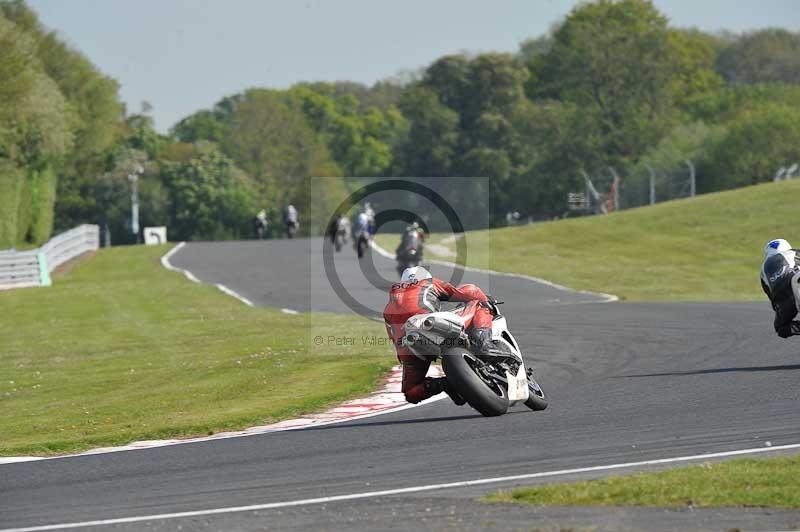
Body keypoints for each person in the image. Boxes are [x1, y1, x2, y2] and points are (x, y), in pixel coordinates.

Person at [383, 266, 493, 405]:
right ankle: (484, 341)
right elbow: (463, 292)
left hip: (410, 344)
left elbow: (393, 338)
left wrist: (405, 358)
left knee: (411, 393)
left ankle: (445, 384)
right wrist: (482, 297)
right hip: (430, 325)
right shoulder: (428, 283)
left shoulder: (390, 303)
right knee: (479, 304)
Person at [760, 238, 800, 338]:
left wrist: (780, 310)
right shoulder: (793, 252)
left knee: (780, 328)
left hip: (784, 299)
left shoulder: (763, 271)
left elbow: (771, 297)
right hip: (796, 278)